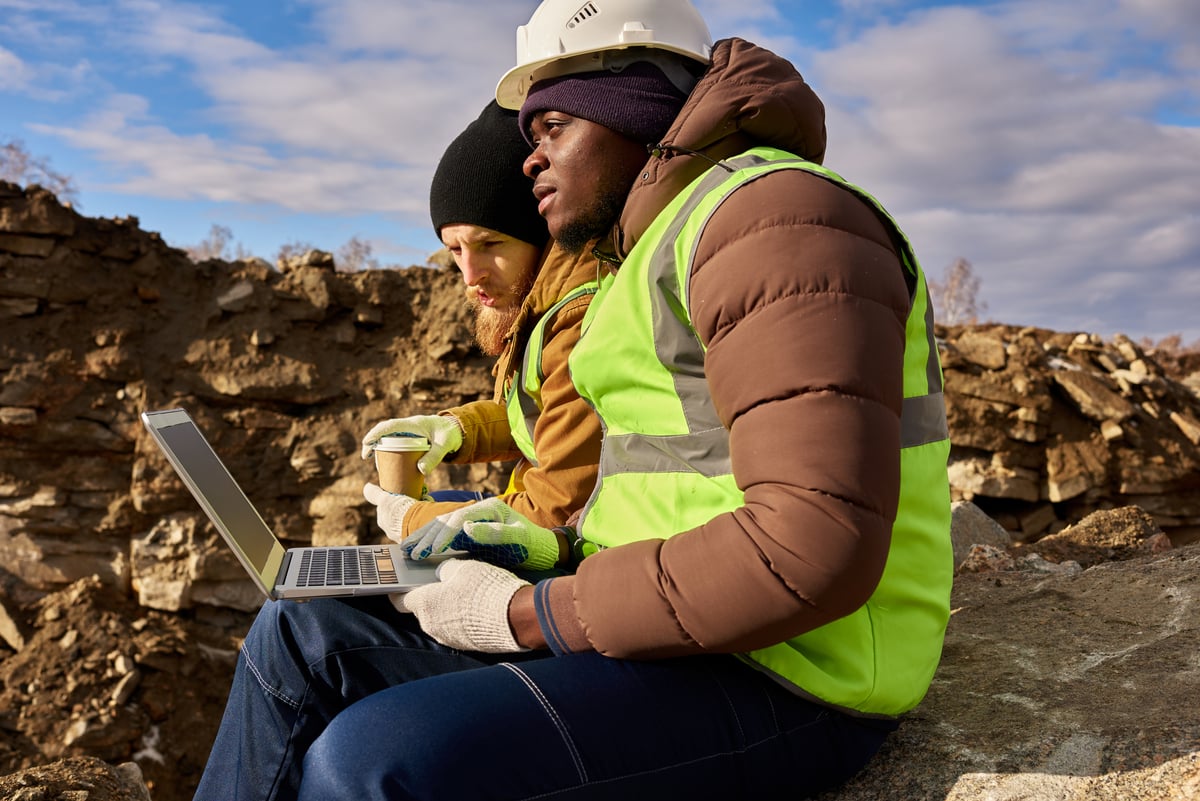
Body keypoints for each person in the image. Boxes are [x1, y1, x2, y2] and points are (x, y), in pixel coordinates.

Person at [192, 1, 953, 798]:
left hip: (794, 667)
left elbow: (809, 547)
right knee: (304, 630)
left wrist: (525, 613)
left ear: (635, 105)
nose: (531, 159)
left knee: (372, 759)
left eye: (552, 126)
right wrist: (536, 554)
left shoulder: (778, 220)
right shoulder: (660, 246)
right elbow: (666, 484)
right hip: (668, 619)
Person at [359, 100, 601, 570]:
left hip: (571, 553)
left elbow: (554, 511)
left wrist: (410, 520)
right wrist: (457, 428)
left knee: (300, 619)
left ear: (543, 232)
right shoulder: (534, 304)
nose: (471, 275)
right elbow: (542, 415)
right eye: (454, 249)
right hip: (555, 530)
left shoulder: (578, 316)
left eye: (490, 244)